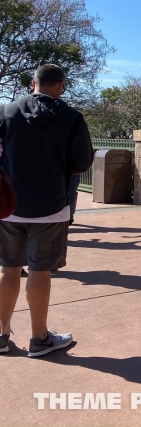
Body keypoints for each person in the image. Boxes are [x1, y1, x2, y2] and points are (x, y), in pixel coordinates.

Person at [0, 64, 93, 357]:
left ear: (33, 83)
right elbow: (82, 163)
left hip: (9, 205)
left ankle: (1, 334)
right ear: (61, 85)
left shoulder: (6, 112)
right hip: (51, 206)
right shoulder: (72, 117)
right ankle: (39, 338)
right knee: (40, 269)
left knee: (8, 268)